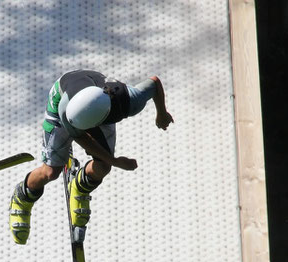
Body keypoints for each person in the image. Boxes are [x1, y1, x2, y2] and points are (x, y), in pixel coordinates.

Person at [9, 69, 173, 244]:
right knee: (51, 171)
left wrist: (161, 113)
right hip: (63, 110)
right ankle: (22, 196)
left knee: (103, 167)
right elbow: (79, 136)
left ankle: (80, 187)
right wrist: (116, 161)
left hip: (98, 110)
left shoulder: (129, 101)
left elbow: (154, 82)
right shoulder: (67, 111)